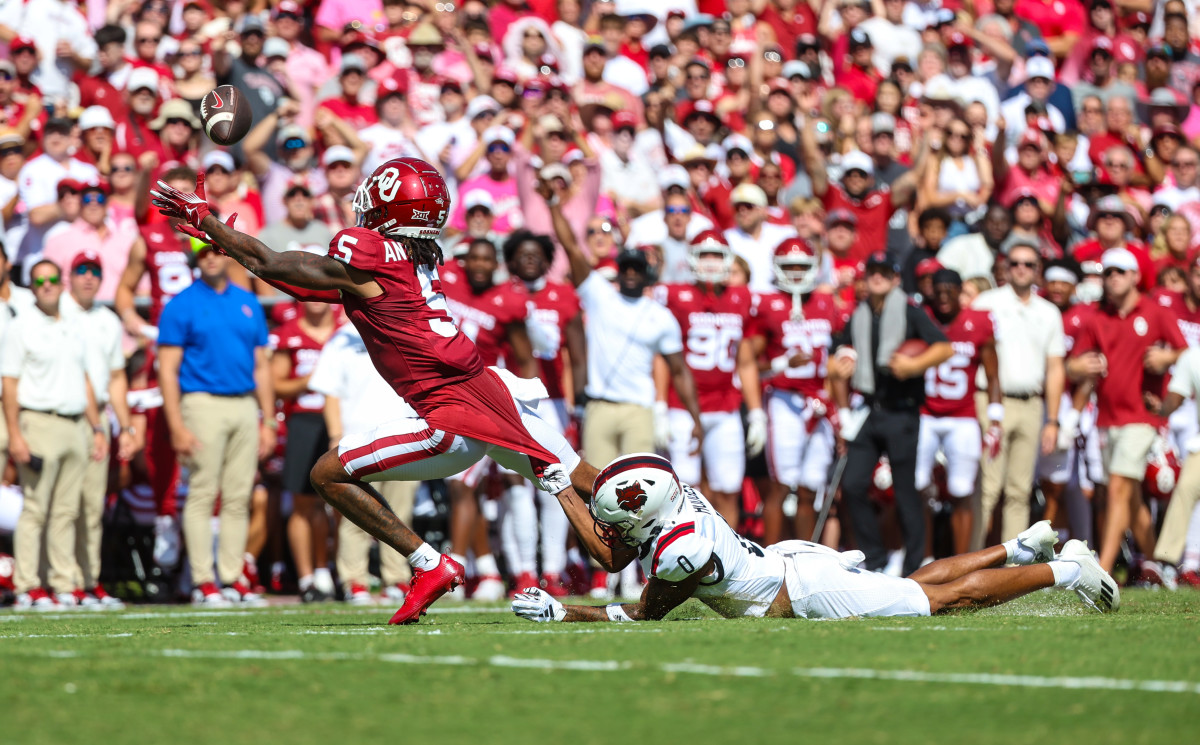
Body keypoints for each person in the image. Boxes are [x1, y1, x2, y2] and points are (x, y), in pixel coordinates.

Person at [150, 157, 597, 625]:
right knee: (578, 476)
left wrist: (211, 225)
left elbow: (274, 262)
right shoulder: (416, 259)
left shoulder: (370, 254)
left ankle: (429, 563)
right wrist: (230, 243)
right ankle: (660, 520)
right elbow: (296, 280)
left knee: (326, 475)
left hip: (448, 419)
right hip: (485, 399)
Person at [510, 454, 1119, 624]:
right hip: (787, 564)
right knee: (910, 584)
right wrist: (565, 479)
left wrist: (566, 612)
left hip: (804, 590)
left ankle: (1066, 569)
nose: (612, 529)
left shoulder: (679, 551)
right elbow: (618, 523)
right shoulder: (675, 495)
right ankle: (1020, 547)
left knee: (938, 601)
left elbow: (642, 614)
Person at [157, 238, 276, 607]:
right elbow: (167, 369)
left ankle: (231, 577)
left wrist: (268, 419)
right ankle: (203, 580)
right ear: (195, 259)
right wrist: (176, 423)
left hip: (243, 403)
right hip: (201, 403)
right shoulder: (181, 305)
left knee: (239, 496)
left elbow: (261, 366)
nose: (209, 258)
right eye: (202, 253)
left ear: (225, 255)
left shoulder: (247, 301)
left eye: (214, 251)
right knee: (203, 493)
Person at [831, 252, 954, 576]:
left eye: (885, 272)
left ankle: (914, 564)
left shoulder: (911, 311)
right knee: (854, 483)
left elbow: (943, 347)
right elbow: (836, 357)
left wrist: (914, 365)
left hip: (902, 411)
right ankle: (875, 557)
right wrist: (841, 360)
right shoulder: (859, 313)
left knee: (904, 491)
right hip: (869, 408)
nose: (877, 277)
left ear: (896, 278)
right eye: (872, 271)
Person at [1070, 248, 1185, 576]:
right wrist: (1080, 365)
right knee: (1130, 500)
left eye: (1121, 271)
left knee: (1119, 485)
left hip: (1143, 415)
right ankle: (1161, 565)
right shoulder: (1096, 317)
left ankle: (1102, 569)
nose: (1114, 277)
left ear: (1135, 276)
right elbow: (1072, 364)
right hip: (1107, 418)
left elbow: (1186, 353)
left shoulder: (1155, 312)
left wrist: (1167, 358)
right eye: (1108, 272)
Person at [2, 259, 107, 610]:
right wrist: (15, 434)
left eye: (51, 278)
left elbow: (86, 381)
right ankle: (28, 585)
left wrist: (95, 428)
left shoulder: (74, 324)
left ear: (62, 283)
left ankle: (63, 583)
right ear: (31, 287)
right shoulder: (20, 328)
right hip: (40, 421)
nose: (46, 284)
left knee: (67, 511)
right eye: (39, 280)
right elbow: (10, 386)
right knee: (35, 508)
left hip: (75, 422)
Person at [654, 230, 764, 527]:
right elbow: (664, 357)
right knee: (683, 488)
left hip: (725, 407)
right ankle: (681, 555)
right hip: (682, 407)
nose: (711, 262)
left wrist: (756, 413)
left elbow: (745, 360)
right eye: (705, 255)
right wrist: (661, 406)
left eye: (717, 255)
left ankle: (726, 563)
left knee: (728, 487)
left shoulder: (741, 298)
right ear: (692, 258)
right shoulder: (676, 296)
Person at [308, 320, 418, 605]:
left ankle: (397, 578)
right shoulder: (342, 338)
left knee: (399, 513)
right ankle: (353, 580)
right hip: (356, 438)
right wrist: (335, 436)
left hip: (404, 435)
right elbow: (330, 392)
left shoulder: (403, 328)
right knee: (354, 513)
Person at [504, 229, 586, 595]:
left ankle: (551, 570)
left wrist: (578, 403)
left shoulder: (565, 296)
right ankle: (523, 570)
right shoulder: (500, 295)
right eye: (523, 254)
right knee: (517, 488)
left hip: (549, 400)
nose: (530, 259)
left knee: (554, 483)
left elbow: (574, 352)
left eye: (537, 253)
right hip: (506, 396)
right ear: (511, 259)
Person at [746, 237, 843, 545]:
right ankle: (770, 559)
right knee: (781, 486)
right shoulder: (767, 304)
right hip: (784, 401)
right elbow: (747, 361)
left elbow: (842, 348)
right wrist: (780, 362)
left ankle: (806, 558)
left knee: (810, 488)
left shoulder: (827, 303)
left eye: (803, 265)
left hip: (819, 401)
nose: (798, 271)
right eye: (791, 266)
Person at [971, 243, 1066, 545]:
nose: (1021, 268)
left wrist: (1052, 419)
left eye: (1028, 263)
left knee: (1020, 490)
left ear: (1038, 269)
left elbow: (1055, 368)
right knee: (987, 487)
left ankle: (1012, 570)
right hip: (991, 401)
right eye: (1015, 263)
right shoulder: (986, 303)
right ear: (1006, 266)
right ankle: (970, 562)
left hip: (1031, 404)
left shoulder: (1049, 312)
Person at [62, 250, 137, 609]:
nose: (88, 277)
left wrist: (126, 427)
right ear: (70, 276)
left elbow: (117, 378)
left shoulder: (108, 320)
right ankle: (57, 581)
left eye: (94, 270)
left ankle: (87, 581)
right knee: (60, 507)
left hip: (98, 421)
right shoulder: (56, 311)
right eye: (81, 270)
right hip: (62, 414)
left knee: (92, 506)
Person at [915, 269, 1001, 556]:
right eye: (938, 290)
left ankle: (960, 561)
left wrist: (996, 418)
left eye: (949, 290)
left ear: (959, 291)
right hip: (925, 414)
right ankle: (923, 558)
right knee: (917, 487)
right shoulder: (921, 316)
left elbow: (992, 375)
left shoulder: (977, 322)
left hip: (962, 416)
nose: (943, 297)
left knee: (962, 491)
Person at [271, 301, 339, 602]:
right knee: (303, 503)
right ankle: (306, 577)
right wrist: (309, 381)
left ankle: (327, 571)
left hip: (341, 424)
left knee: (333, 502)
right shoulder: (289, 333)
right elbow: (276, 384)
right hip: (304, 421)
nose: (316, 298)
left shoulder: (345, 331)